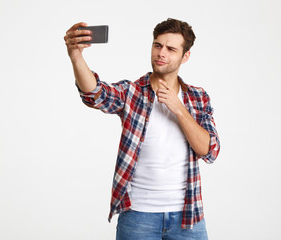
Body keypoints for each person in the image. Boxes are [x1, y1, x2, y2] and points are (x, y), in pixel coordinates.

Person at [64, 18, 220, 240]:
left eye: (171, 49)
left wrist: (178, 108)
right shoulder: (132, 92)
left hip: (188, 217)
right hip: (138, 216)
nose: (161, 53)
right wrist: (76, 58)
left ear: (185, 56)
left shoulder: (197, 97)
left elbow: (209, 150)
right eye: (157, 45)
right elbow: (95, 94)